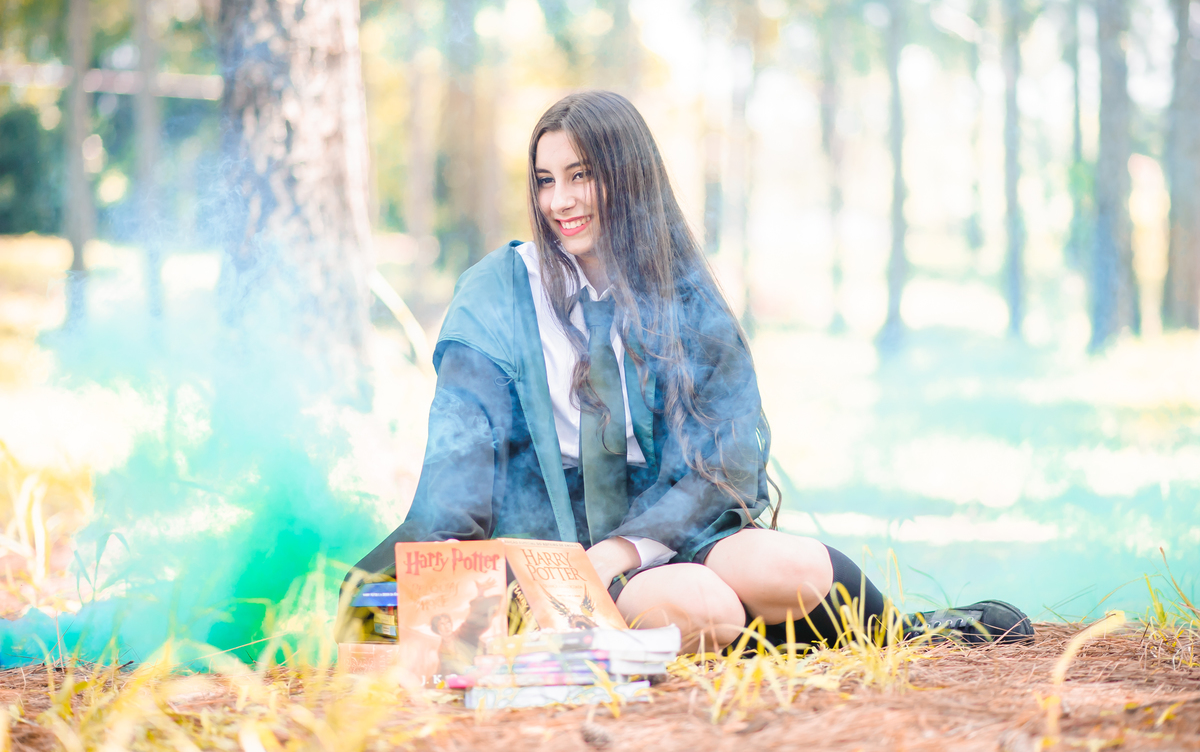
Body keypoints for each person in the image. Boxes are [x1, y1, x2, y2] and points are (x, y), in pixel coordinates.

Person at [340, 91, 1032, 653]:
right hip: (550, 538)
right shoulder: (495, 295)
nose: (559, 201)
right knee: (698, 606)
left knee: (788, 566)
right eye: (546, 180)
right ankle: (730, 642)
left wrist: (625, 547)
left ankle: (908, 634)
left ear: (629, 178)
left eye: (581, 175)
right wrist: (390, 595)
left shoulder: (679, 291)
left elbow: (725, 457)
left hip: (669, 520)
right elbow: (457, 480)